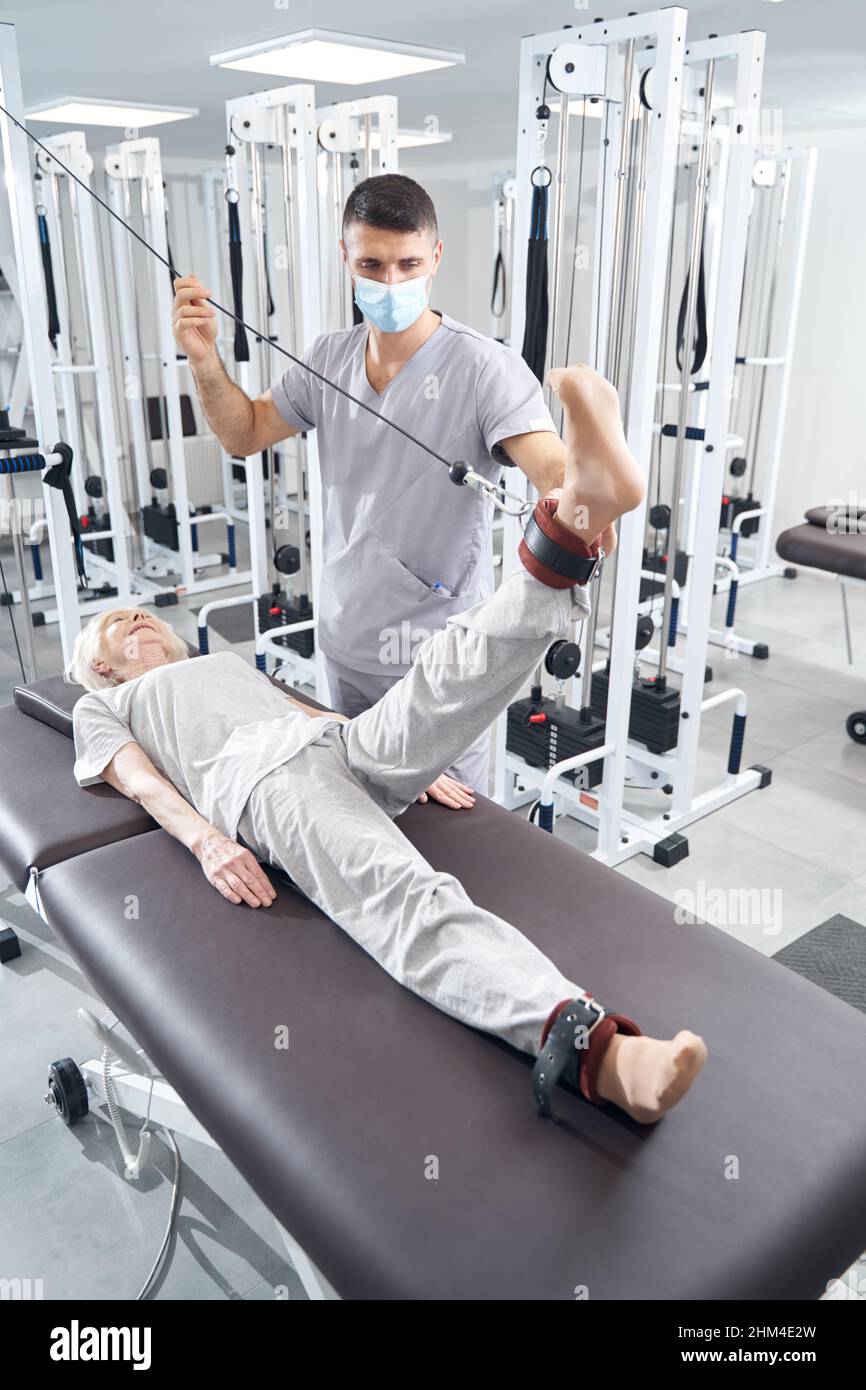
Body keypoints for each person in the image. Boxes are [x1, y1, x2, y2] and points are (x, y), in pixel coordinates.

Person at [67, 365, 707, 1125]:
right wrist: (206, 841)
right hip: (265, 790)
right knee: (407, 896)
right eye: (119, 624)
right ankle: (603, 1056)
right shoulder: (110, 702)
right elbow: (140, 783)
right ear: (99, 664)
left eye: (144, 613)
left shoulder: (215, 662)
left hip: (333, 747)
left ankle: (571, 527)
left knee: (452, 673)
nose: (138, 619)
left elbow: (294, 710)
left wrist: (411, 758)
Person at [171, 173, 571, 808]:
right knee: (352, 819)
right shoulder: (326, 359)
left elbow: (551, 470)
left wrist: (578, 498)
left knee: (448, 840)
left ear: (436, 257)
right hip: (348, 638)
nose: (390, 283)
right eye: (372, 264)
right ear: (345, 258)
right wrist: (203, 360)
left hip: (441, 665)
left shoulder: (484, 369)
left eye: (409, 264)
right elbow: (244, 433)